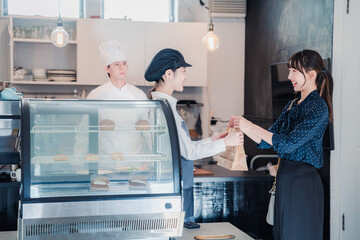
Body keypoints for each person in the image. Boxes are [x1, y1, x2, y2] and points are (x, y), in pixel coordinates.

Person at [229, 49, 333, 240]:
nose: (289, 76)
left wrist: (249, 125)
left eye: (294, 71)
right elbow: (267, 139)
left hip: (303, 183)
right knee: (282, 234)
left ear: (311, 75)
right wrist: (241, 126)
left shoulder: (318, 107)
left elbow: (286, 144)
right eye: (289, 70)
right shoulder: (292, 104)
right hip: (286, 178)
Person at [144, 48, 244, 223]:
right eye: (183, 71)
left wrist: (212, 140)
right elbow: (189, 152)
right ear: (168, 74)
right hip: (173, 186)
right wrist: (226, 142)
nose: (185, 76)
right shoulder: (165, 109)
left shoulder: (161, 105)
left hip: (170, 184)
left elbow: (183, 146)